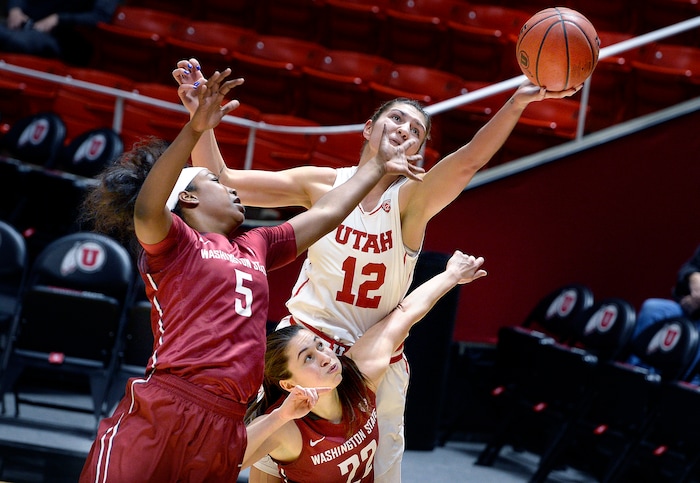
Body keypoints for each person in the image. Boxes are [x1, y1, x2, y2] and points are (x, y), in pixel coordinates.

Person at [173, 58, 583, 482]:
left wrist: (517, 102)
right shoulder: (321, 184)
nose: (405, 128)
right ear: (369, 129)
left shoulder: (411, 201)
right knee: (270, 470)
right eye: (397, 118)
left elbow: (467, 163)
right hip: (303, 350)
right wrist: (198, 119)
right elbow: (222, 178)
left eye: (417, 130)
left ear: (418, 152)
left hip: (372, 358)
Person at [78, 68, 423, 482]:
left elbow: (329, 213)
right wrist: (194, 130)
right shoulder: (173, 244)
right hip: (170, 402)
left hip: (227, 419)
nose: (231, 188)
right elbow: (146, 209)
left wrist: (377, 166)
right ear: (186, 196)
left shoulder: (257, 245)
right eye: (215, 183)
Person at [242, 250, 487, 482]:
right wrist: (279, 416)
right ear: (288, 383)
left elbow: (403, 314)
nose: (325, 357)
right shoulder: (287, 428)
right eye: (308, 358)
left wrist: (452, 275)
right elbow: (225, 459)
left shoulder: (359, 376)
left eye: (320, 346)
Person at [629, 244, 700, 374]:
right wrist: (693, 277)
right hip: (688, 307)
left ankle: (685, 386)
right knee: (653, 308)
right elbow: (686, 270)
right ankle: (635, 372)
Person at [0, 0, 117, 65]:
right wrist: (15, 9)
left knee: (16, 41)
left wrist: (59, 19)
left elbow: (101, 16)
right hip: (23, 25)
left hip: (64, 38)